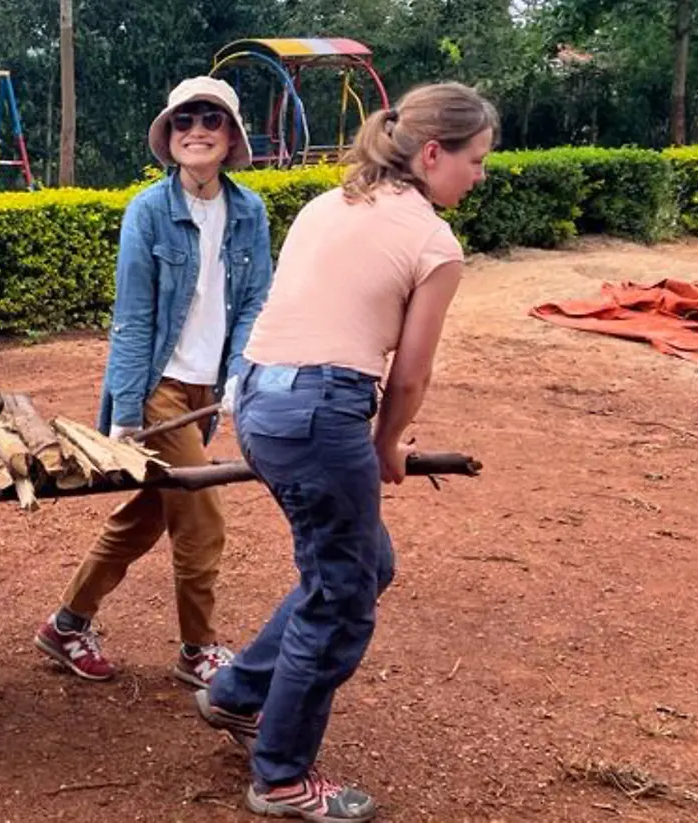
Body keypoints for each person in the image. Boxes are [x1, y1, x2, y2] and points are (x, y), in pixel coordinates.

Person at [191, 82, 497, 821]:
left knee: (363, 562)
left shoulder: (328, 204)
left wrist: (365, 437)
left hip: (258, 401)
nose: (481, 174)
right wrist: (385, 444)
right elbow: (411, 373)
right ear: (433, 153)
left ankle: (237, 692)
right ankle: (280, 776)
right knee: (342, 600)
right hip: (319, 414)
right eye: (477, 159)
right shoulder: (434, 243)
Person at [32, 76, 274, 690]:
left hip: (205, 393)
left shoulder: (250, 212)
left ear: (231, 137)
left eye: (212, 119)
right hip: (158, 388)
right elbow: (134, 315)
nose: (197, 129)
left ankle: (66, 624)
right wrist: (125, 410)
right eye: (184, 119)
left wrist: (241, 373)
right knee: (202, 515)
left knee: (148, 513)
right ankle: (198, 650)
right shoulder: (148, 211)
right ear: (169, 135)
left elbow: (255, 302)